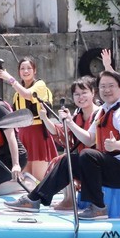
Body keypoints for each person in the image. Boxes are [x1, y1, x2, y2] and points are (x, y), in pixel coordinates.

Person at [5, 71, 120, 220]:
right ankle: (34, 199)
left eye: (111, 86)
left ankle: (98, 207)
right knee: (68, 160)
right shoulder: (104, 110)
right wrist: (70, 123)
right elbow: (89, 140)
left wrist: (116, 144)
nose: (107, 90)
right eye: (103, 86)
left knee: (87, 155)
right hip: (111, 168)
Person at [39, 76, 100, 210]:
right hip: (82, 160)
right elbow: (61, 134)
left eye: (84, 93)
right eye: (77, 94)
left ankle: (43, 198)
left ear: (93, 93)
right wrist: (44, 118)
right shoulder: (77, 115)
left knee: (67, 160)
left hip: (97, 162)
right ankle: (68, 199)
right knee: (61, 159)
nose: (80, 97)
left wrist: (70, 122)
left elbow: (90, 140)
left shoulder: (100, 113)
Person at [0, 57, 58, 181]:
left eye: (29, 68)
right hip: (23, 135)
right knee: (25, 179)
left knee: (38, 178)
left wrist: (9, 78)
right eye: (22, 68)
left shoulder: (40, 85)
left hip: (38, 134)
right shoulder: (16, 94)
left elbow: (27, 94)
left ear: (34, 70)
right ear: (19, 71)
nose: (25, 71)